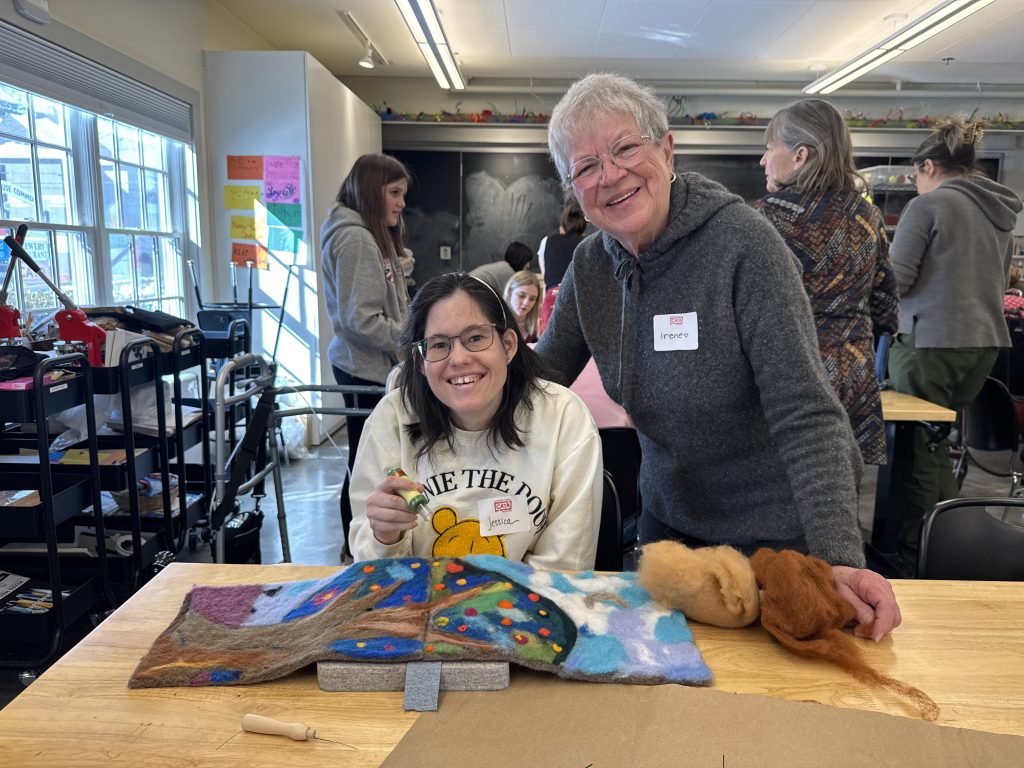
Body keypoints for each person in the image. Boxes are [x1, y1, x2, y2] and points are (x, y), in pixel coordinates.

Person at [536, 72, 901, 639]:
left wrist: (838, 556)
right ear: (572, 188)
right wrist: (445, 377)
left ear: (666, 148)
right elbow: (541, 379)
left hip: (778, 535)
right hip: (672, 530)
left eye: (625, 147)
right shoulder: (590, 267)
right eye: (584, 167)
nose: (610, 175)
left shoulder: (745, 247)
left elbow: (806, 412)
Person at [348, 272, 602, 571]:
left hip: (527, 609)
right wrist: (385, 536)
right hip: (418, 604)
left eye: (476, 338)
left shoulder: (564, 418)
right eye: (439, 344)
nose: (458, 359)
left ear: (508, 345)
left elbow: (565, 566)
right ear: (420, 360)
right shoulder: (391, 419)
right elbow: (373, 571)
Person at [888, 115, 1023, 557]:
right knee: (937, 443)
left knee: (917, 449)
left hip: (932, 341)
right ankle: (950, 535)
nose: (915, 183)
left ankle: (921, 548)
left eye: (914, 175)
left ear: (928, 166)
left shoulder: (928, 206)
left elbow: (897, 280)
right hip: (983, 344)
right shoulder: (999, 210)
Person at [754, 98, 899, 466]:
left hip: (790, 369)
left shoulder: (764, 219)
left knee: (780, 484)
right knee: (840, 486)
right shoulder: (867, 215)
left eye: (770, 149)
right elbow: (885, 305)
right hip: (853, 372)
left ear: (800, 155)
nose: (763, 160)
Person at [321, 153, 412, 559]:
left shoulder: (368, 232)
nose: (401, 203)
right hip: (365, 370)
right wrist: (410, 340)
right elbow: (361, 319)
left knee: (371, 459)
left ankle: (358, 545)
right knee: (366, 464)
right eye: (394, 193)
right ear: (370, 192)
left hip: (372, 367)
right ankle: (356, 549)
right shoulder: (356, 237)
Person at [538, 200, 587, 290]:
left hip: (553, 297)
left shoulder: (547, 241)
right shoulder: (588, 244)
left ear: (562, 229)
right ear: (583, 231)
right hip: (578, 296)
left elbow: (546, 280)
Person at [469, 241, 533, 295]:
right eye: (527, 261)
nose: (528, 265)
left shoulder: (503, 266)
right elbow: (508, 299)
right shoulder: (509, 273)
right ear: (520, 259)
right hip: (470, 291)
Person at [503, 269, 544, 342]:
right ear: (509, 292)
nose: (526, 303)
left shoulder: (539, 322)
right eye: (521, 296)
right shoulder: (496, 320)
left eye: (532, 299)